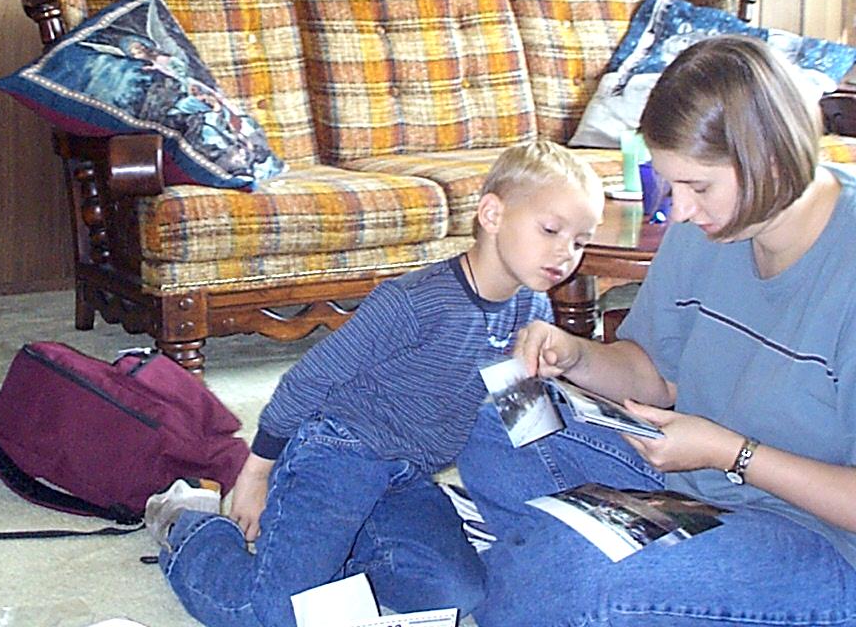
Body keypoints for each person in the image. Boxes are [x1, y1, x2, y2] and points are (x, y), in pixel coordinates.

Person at [455, 35, 856, 626]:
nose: (681, 210)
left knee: (571, 573)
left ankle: (570, 579)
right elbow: (655, 375)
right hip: (696, 484)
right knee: (499, 415)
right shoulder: (711, 227)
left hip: (821, 539)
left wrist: (731, 453)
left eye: (699, 187)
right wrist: (574, 356)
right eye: (673, 184)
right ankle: (574, 579)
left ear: (769, 160)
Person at [143, 140, 606, 627]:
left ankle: (332, 555)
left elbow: (525, 424)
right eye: (551, 230)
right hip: (335, 456)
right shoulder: (413, 301)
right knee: (276, 615)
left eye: (580, 241)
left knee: (455, 595)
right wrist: (256, 474)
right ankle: (188, 521)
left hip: (405, 476)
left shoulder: (532, 310)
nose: (565, 253)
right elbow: (307, 380)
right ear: (492, 214)